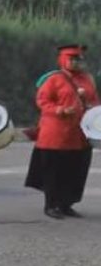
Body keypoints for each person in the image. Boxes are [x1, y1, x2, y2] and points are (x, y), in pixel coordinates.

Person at [26, 45, 98, 219]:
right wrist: (59, 110)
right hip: (56, 134)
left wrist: (94, 111)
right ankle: (51, 205)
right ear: (62, 60)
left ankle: (67, 204)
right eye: (71, 59)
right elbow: (42, 100)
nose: (75, 62)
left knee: (75, 170)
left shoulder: (88, 79)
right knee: (54, 171)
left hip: (80, 134)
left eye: (78, 59)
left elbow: (95, 100)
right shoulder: (54, 79)